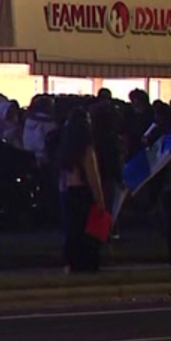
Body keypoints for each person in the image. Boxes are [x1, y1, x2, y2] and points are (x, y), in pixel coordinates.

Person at [58, 110, 104, 272]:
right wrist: (100, 200)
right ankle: (86, 265)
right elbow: (93, 177)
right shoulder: (86, 149)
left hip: (70, 192)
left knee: (73, 231)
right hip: (84, 193)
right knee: (88, 235)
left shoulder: (66, 148)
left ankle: (72, 263)